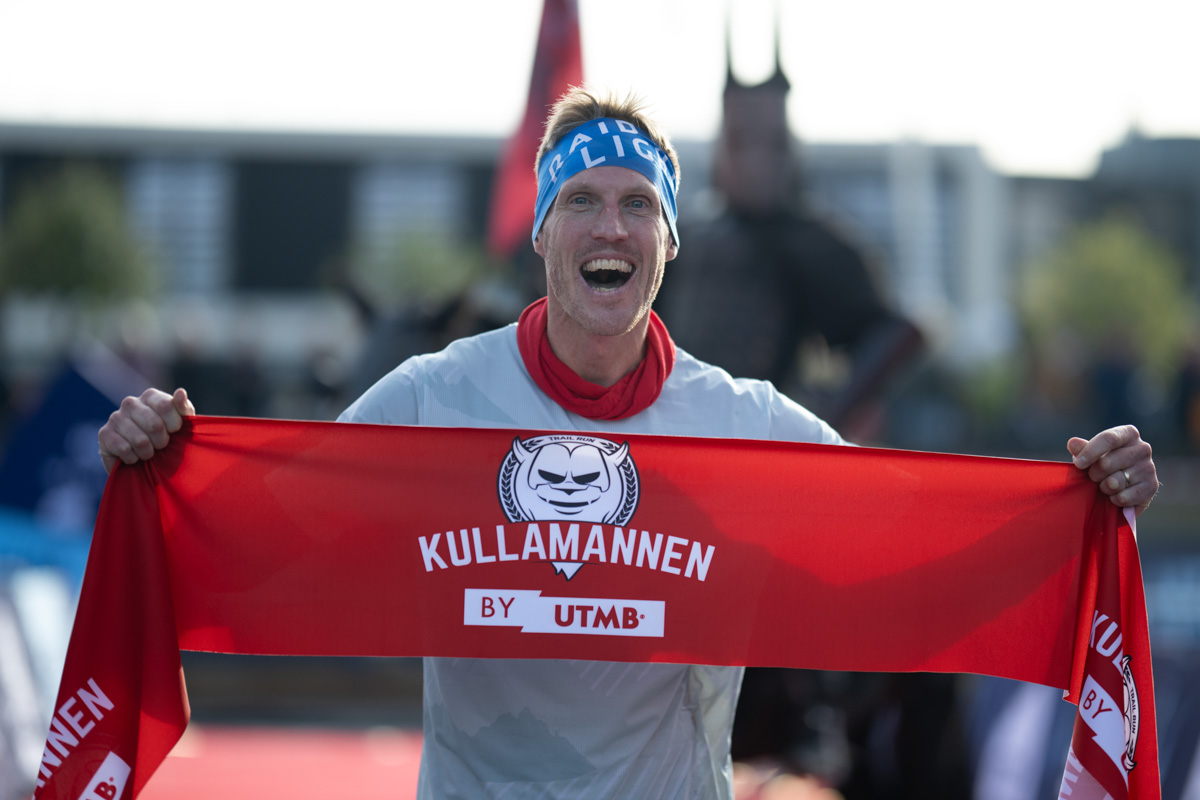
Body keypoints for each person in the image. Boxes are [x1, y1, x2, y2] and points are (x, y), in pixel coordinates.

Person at [98, 87, 1160, 799]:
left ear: (666, 244)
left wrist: (1076, 503)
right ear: (543, 235)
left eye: (638, 205)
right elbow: (268, 522)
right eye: (584, 201)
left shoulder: (744, 424)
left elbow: (910, 546)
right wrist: (165, 458)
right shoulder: (433, 393)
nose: (611, 225)